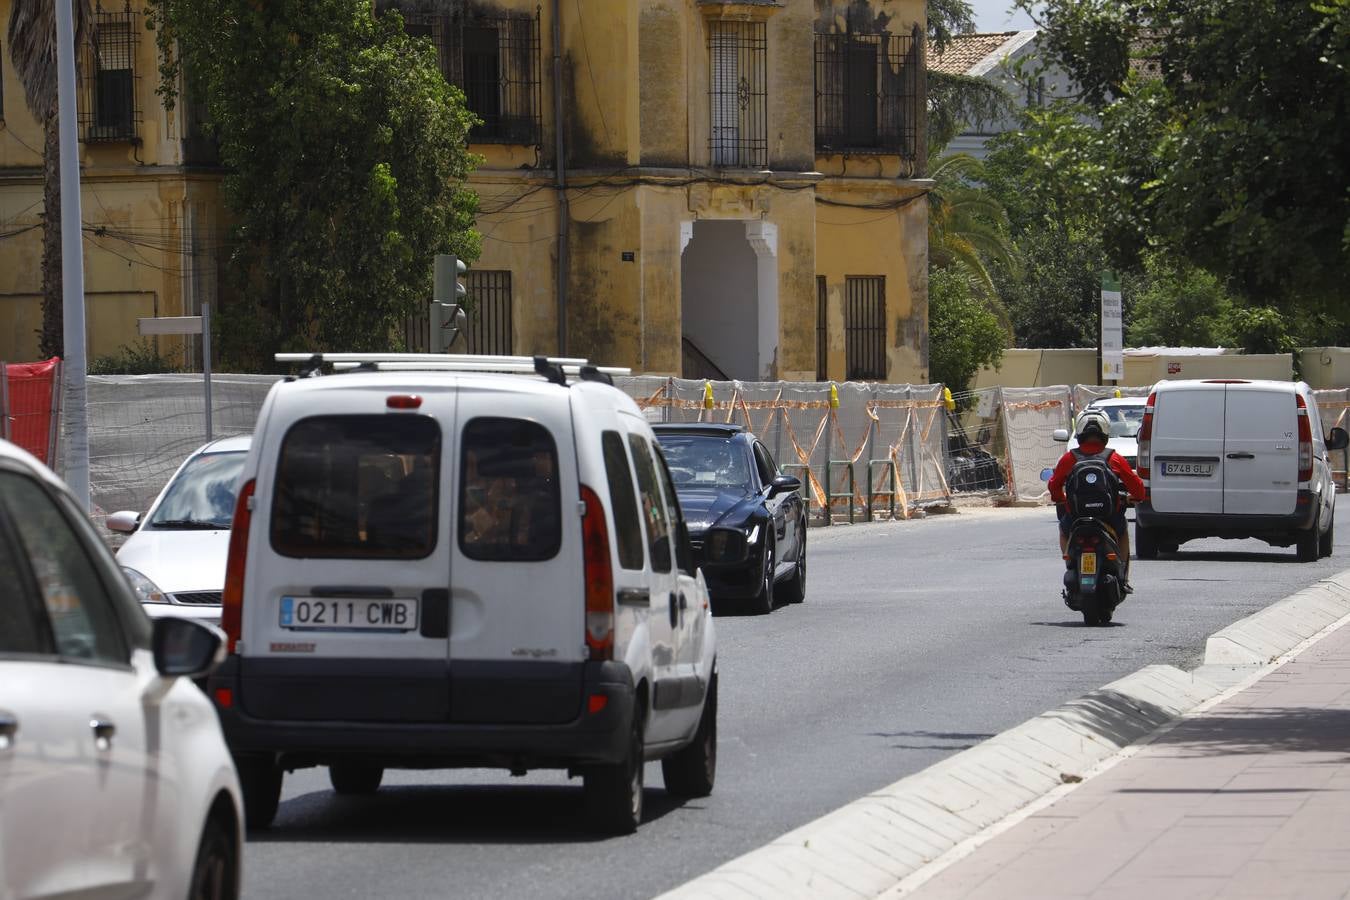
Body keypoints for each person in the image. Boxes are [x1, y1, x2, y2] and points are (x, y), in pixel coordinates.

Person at [1048, 409, 1146, 589]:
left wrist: (1061, 499)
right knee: (1122, 532)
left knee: (1063, 530)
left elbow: (1054, 486)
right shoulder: (1113, 457)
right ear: (1105, 432)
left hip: (1077, 517)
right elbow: (1137, 487)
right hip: (1109, 517)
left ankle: (1070, 563)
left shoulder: (1069, 458)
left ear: (1080, 432)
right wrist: (1134, 498)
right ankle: (1123, 576)